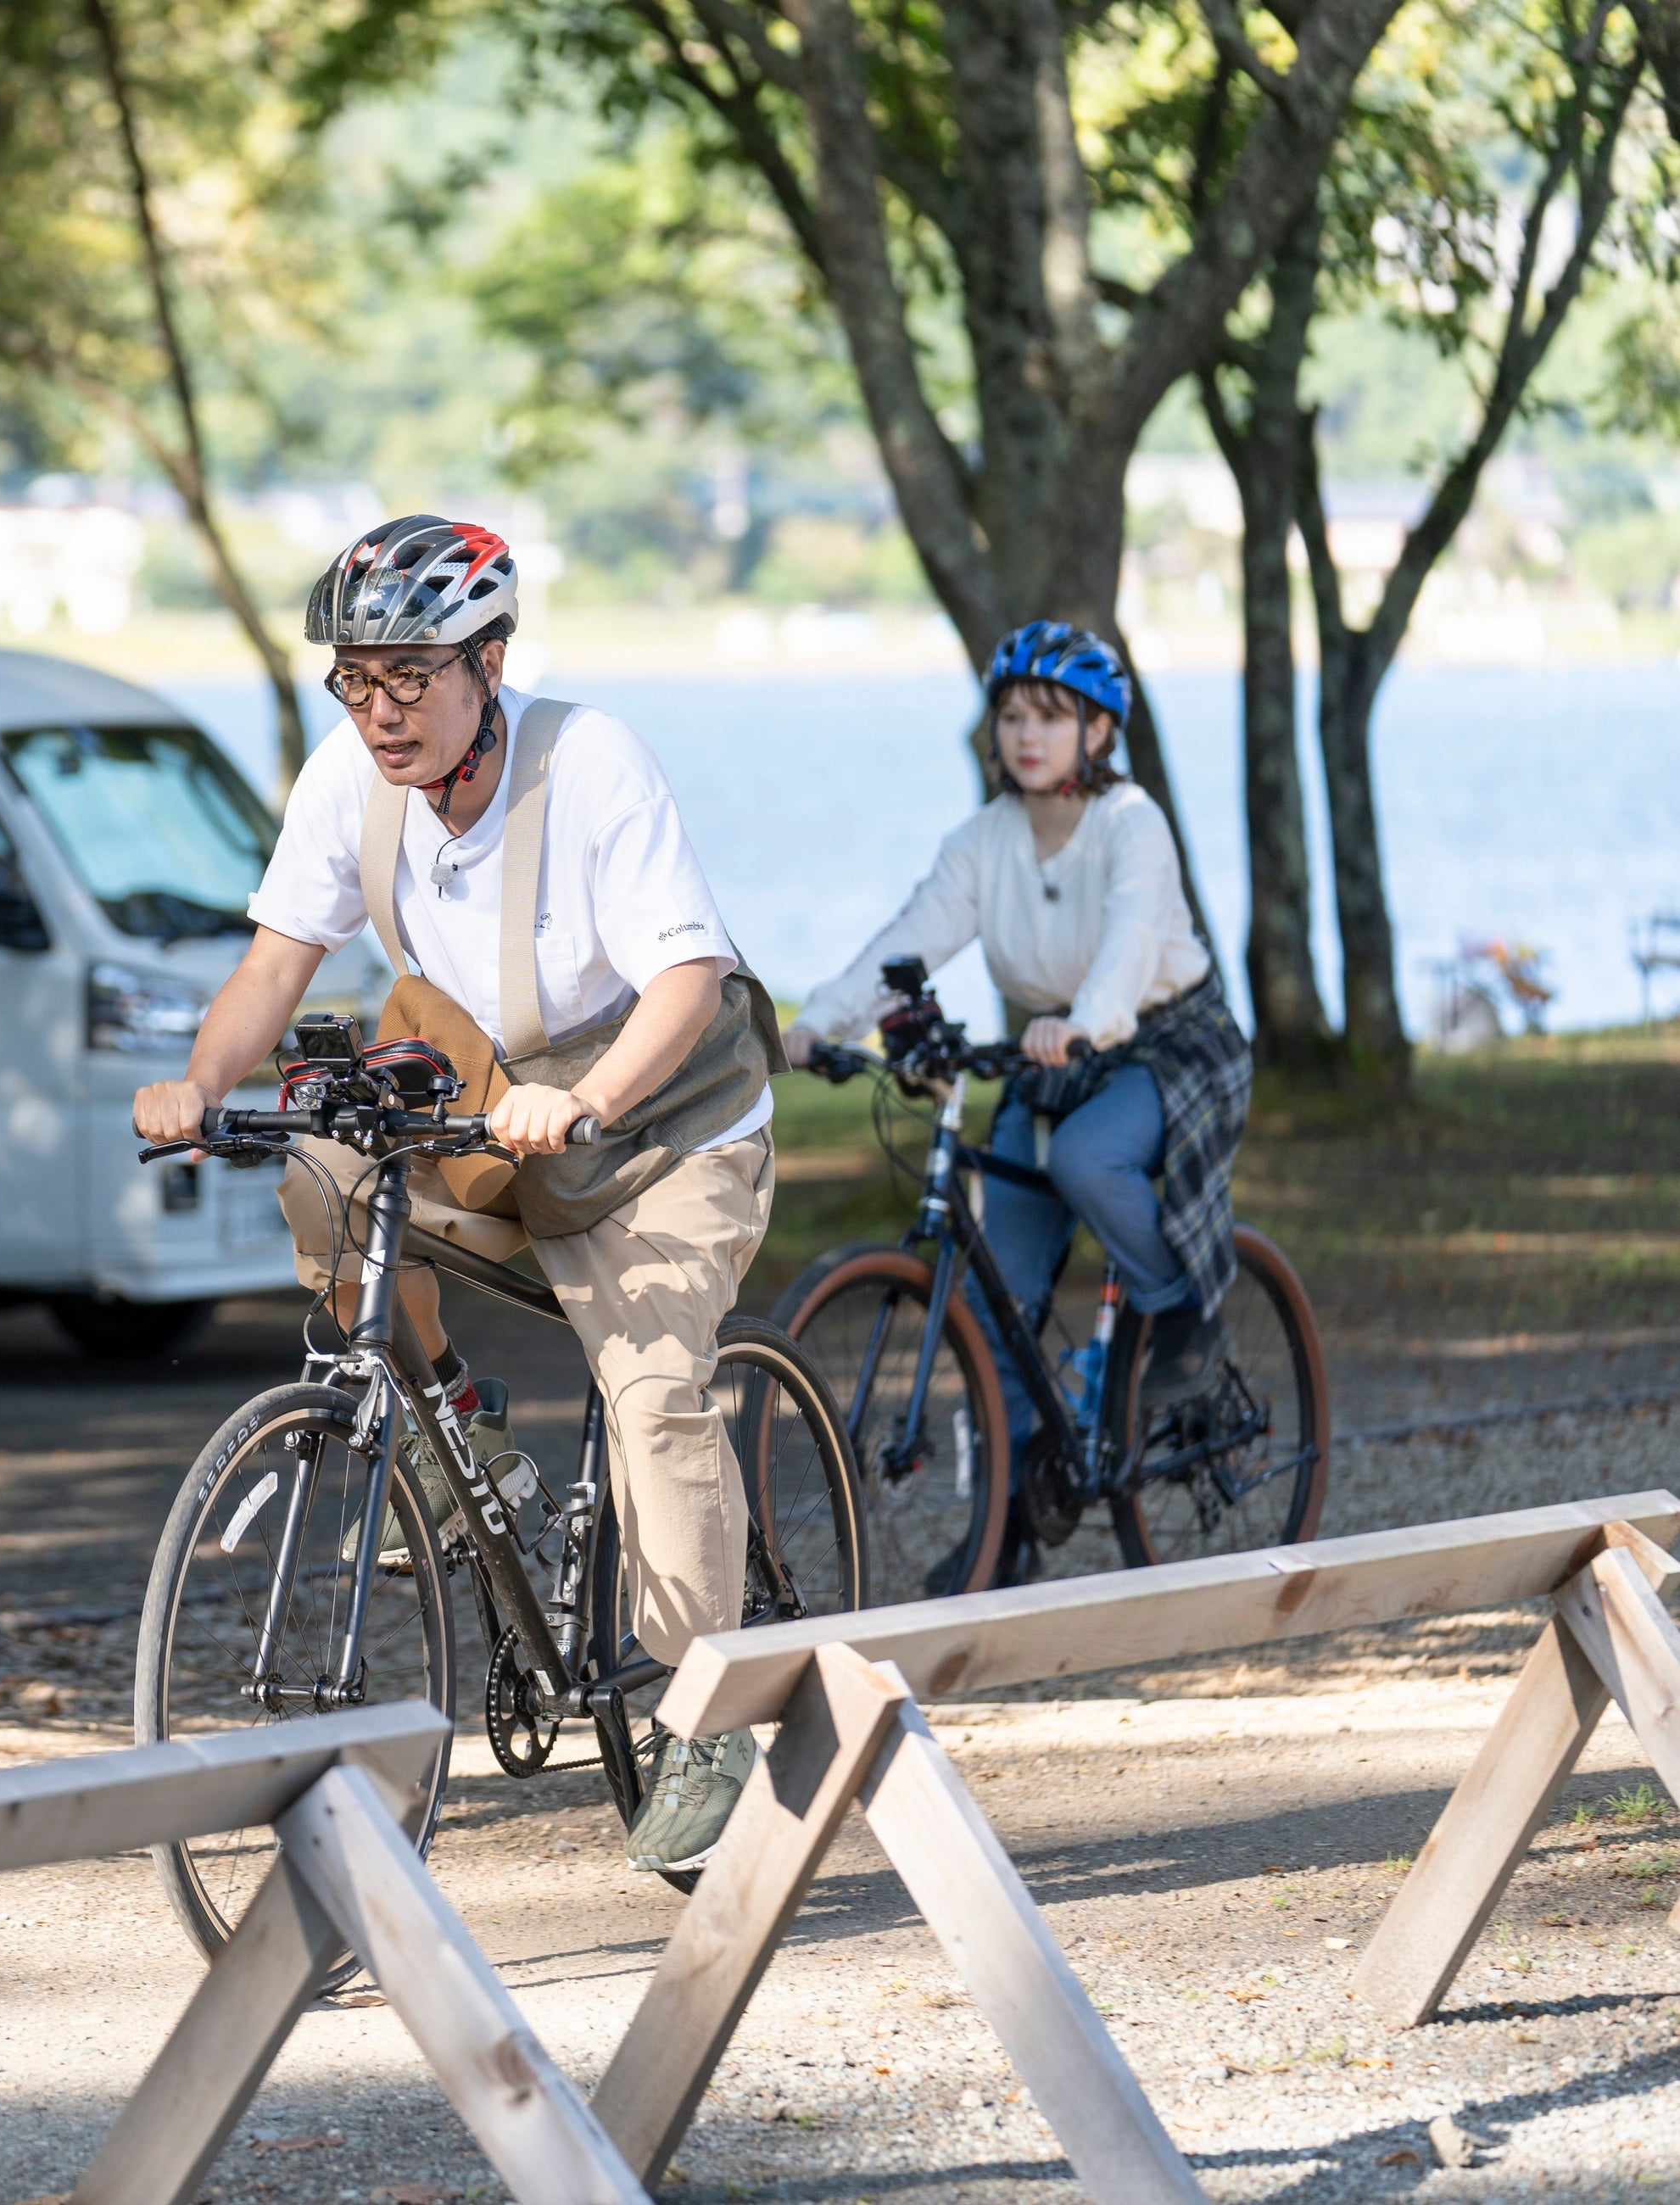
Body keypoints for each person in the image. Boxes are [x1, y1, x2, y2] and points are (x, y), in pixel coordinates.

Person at [130, 515, 782, 1873]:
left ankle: (712, 1712)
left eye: (412, 674)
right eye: (356, 679)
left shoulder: (588, 763)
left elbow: (687, 980)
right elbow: (273, 967)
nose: (382, 710)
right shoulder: (347, 785)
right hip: (493, 1108)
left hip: (664, 1128)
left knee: (655, 1398)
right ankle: (452, 1430)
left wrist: (589, 1098)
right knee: (326, 1165)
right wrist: (194, 1083)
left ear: (491, 660)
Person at [786, 621, 1253, 1573]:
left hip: (1163, 1039)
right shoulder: (984, 841)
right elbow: (906, 938)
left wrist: (1087, 1018)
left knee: (1086, 1155)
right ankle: (1002, 1529)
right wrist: (817, 1024)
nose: (1027, 733)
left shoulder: (1133, 824)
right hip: (1054, 1048)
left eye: (1051, 715)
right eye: (1010, 715)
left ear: (1098, 732)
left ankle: (1182, 1310)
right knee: (998, 1298)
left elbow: (1128, 944)